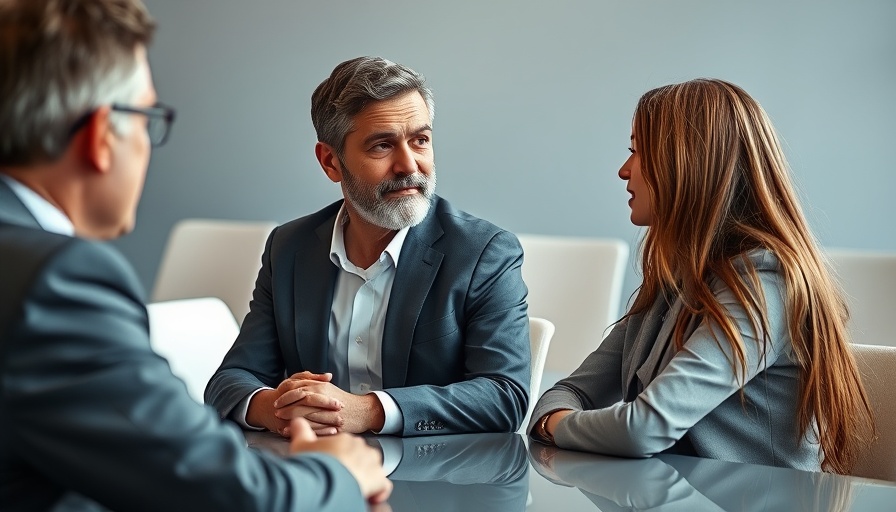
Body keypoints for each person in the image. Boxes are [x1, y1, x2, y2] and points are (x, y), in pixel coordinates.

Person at [0, 1, 390, 510]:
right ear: (101, 136)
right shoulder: (55, 281)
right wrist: (335, 472)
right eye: (145, 118)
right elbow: (224, 494)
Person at [528, 78, 874, 474]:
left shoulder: (765, 283)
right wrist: (555, 418)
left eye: (636, 153)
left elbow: (642, 430)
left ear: (685, 164)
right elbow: (568, 392)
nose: (624, 170)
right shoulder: (674, 281)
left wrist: (554, 425)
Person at [206, 56, 530, 438]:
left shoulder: (484, 253)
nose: (409, 165)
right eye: (382, 146)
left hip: (432, 486)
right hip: (317, 475)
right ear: (331, 162)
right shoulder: (288, 248)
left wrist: (368, 411)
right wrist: (278, 409)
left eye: (420, 141)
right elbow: (231, 380)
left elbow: (504, 396)